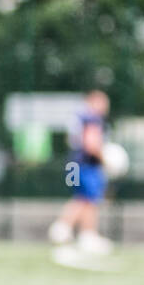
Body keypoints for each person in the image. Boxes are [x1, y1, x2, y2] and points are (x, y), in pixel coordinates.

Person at [48, 89, 112, 254]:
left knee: (82, 197)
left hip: (73, 164)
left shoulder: (78, 117)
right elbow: (91, 144)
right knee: (89, 197)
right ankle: (68, 229)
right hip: (86, 165)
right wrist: (107, 161)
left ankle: (80, 233)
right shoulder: (91, 118)